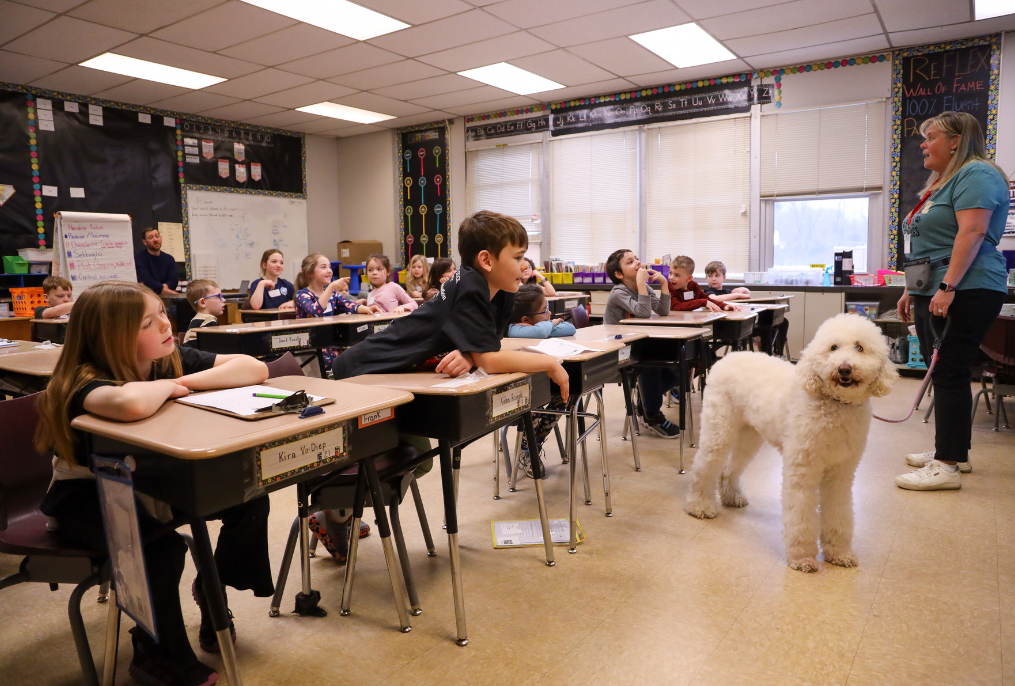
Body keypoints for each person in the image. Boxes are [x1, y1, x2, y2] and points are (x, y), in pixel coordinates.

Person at [35, 280, 272, 686]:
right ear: (113, 337)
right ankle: (158, 656)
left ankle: (212, 590)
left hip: (155, 480)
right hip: (86, 496)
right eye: (149, 321)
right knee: (160, 550)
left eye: (162, 312)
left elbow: (255, 367)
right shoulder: (81, 380)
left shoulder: (167, 359)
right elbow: (130, 403)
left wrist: (181, 384)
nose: (166, 324)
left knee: (249, 496)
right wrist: (167, 387)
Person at [895, 111, 1010, 491]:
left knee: (948, 371)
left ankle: (946, 467)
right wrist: (913, 288)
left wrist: (946, 286)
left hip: (969, 287)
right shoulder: (942, 183)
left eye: (931, 137)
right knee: (942, 370)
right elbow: (931, 245)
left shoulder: (977, 174)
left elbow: (974, 231)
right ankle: (953, 450)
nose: (923, 145)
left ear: (957, 140)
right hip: (938, 287)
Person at [604, 249, 679, 438]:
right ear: (619, 274)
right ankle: (652, 415)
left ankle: (646, 401)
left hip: (638, 344)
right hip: (619, 351)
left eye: (636, 259)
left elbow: (663, 310)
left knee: (676, 364)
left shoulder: (643, 288)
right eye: (630, 262)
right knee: (649, 364)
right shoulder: (618, 292)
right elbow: (644, 312)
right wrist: (641, 283)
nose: (637, 263)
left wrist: (663, 283)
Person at [507, 285, 576, 477]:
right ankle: (528, 449)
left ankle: (533, 443)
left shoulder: (538, 326)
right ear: (525, 320)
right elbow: (537, 333)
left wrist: (548, 324)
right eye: (544, 311)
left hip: (545, 377)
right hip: (520, 389)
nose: (550, 313)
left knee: (564, 397)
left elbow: (570, 327)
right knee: (535, 400)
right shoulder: (512, 328)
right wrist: (551, 324)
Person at [294, 253, 380, 372]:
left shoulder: (333, 295)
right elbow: (316, 311)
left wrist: (367, 309)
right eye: (323, 267)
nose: (329, 270)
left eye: (329, 267)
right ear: (310, 273)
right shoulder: (302, 294)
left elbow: (350, 305)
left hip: (331, 343)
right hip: (312, 346)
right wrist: (330, 287)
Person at [668, 256, 738, 313]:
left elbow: (707, 299)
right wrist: (701, 302)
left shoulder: (693, 286)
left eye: (677, 275)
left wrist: (724, 306)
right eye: (670, 273)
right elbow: (676, 306)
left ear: (689, 278)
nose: (671, 278)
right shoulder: (668, 287)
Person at [135, 227, 178, 297]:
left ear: (160, 238)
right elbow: (147, 282)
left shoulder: (169, 259)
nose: (155, 239)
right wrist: (174, 294)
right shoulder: (139, 259)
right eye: (150, 237)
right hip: (148, 298)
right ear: (144, 242)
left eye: (157, 236)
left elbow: (173, 281)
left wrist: (162, 288)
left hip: (169, 298)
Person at [182, 279, 224, 347]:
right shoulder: (208, 320)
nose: (223, 300)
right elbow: (213, 348)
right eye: (218, 296)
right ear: (202, 302)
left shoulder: (196, 319)